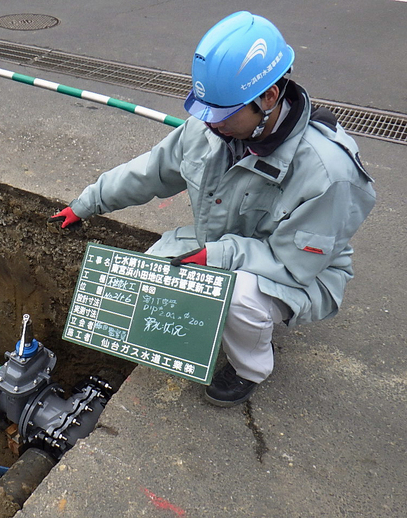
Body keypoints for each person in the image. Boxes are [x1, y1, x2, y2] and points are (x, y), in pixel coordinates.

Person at [49, 11, 375, 407]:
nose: (210, 124)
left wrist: (217, 257)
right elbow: (150, 171)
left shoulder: (329, 174)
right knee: (150, 270)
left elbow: (294, 263)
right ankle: (217, 322)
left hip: (303, 272)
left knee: (238, 297)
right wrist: (87, 204)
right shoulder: (210, 129)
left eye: (222, 114)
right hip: (219, 243)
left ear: (268, 97)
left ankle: (251, 367)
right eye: (206, 112)